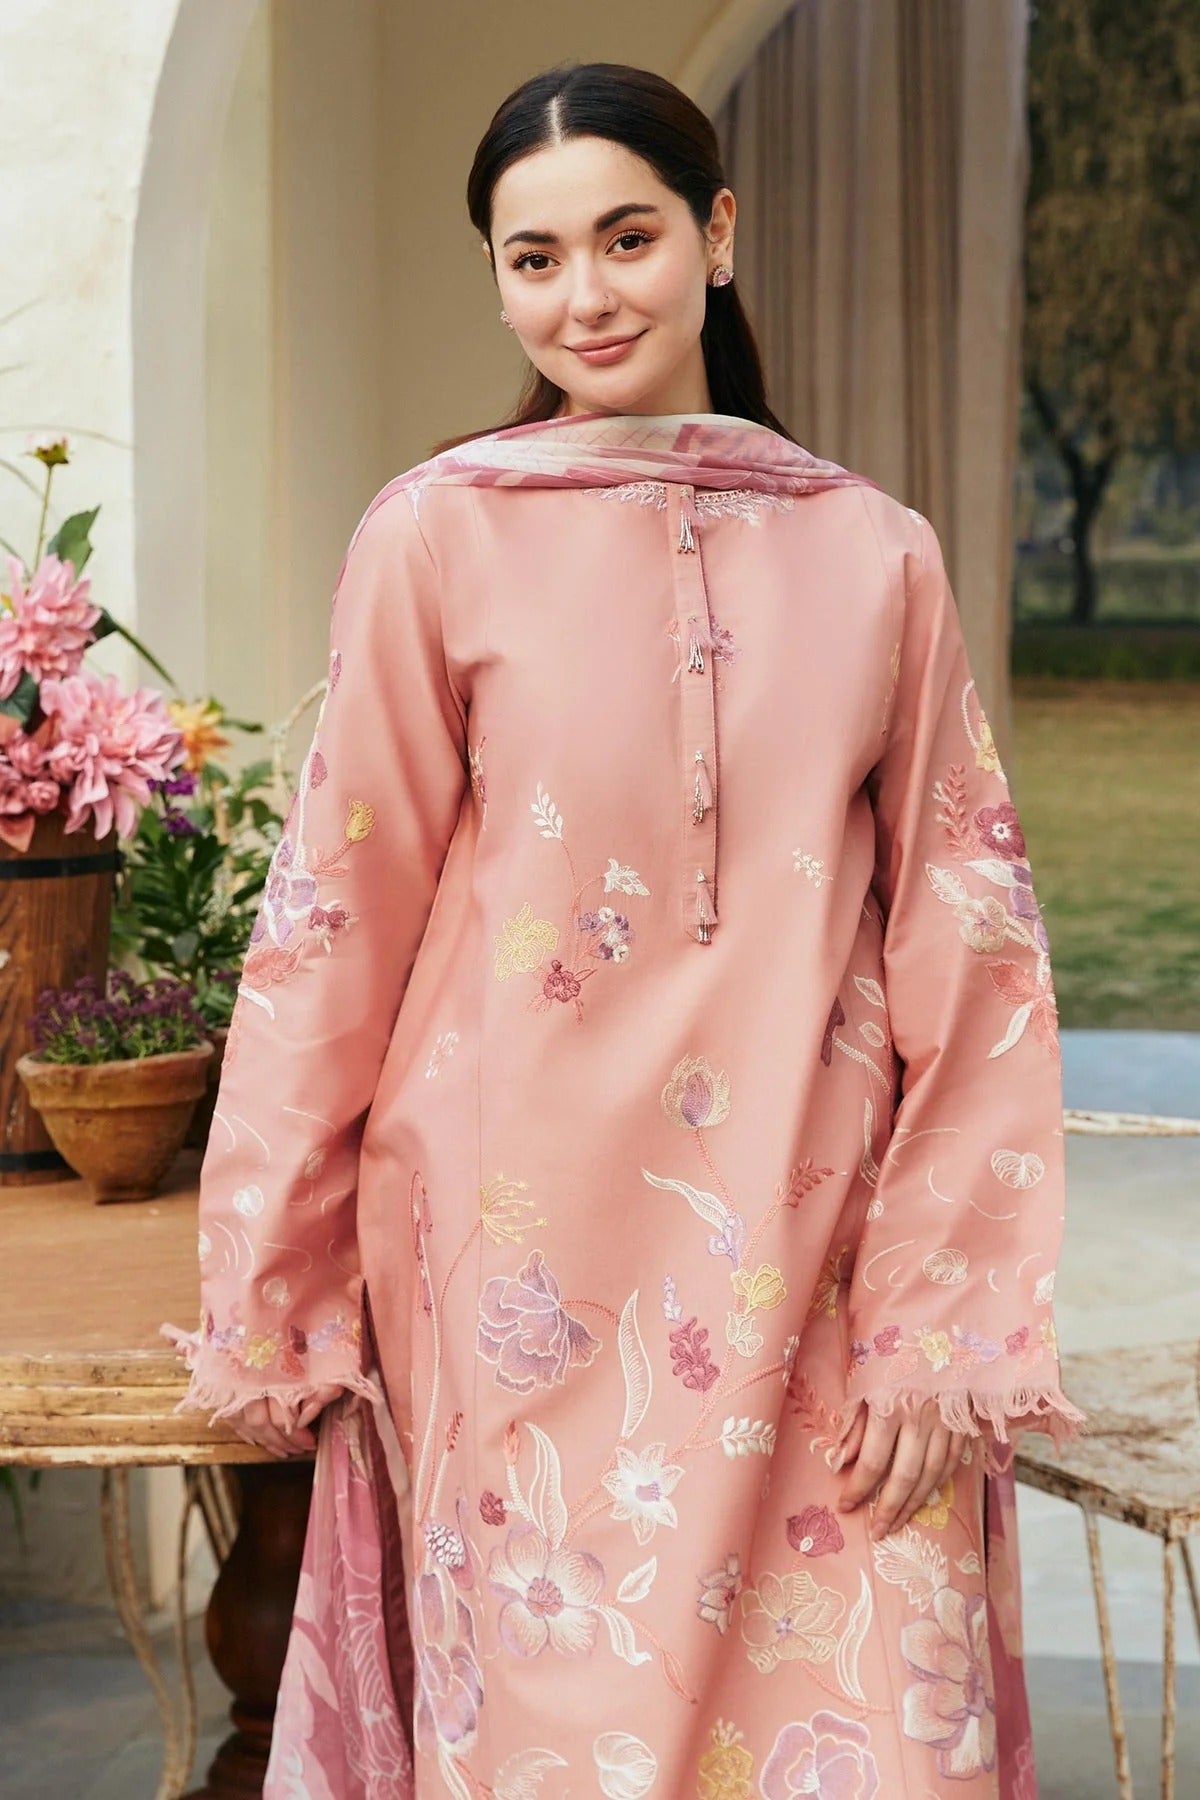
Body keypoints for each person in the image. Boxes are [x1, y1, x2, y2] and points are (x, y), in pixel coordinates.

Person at [168, 60, 1083, 1800]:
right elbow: (337, 919)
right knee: (554, 1743)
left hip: (824, 1265)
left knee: (884, 1733)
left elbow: (972, 940)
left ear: (716, 235)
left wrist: (940, 1315)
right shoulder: (435, 540)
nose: (584, 294)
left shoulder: (877, 557)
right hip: (516, 1274)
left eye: (628, 237)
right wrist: (277, 1279)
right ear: (497, 279)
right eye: (535, 259)